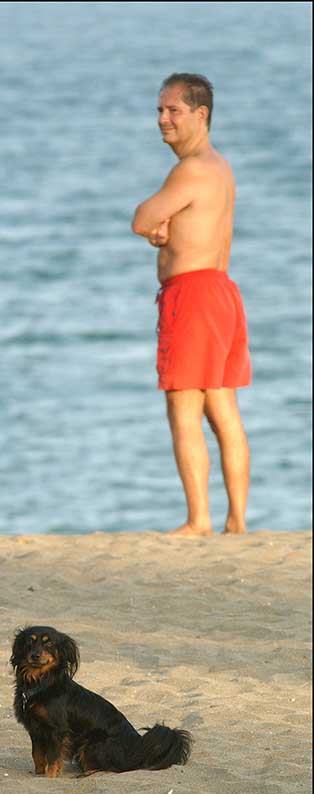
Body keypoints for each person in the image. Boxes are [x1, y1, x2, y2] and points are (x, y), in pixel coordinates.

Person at [131, 73, 251, 537]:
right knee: (222, 407)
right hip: (221, 291)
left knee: (183, 408)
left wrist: (156, 225)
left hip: (194, 297)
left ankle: (198, 519)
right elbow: (171, 224)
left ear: (201, 115)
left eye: (173, 110)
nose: (163, 119)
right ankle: (236, 520)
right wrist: (165, 229)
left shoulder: (191, 168)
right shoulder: (219, 166)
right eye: (160, 110)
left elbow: (141, 217)